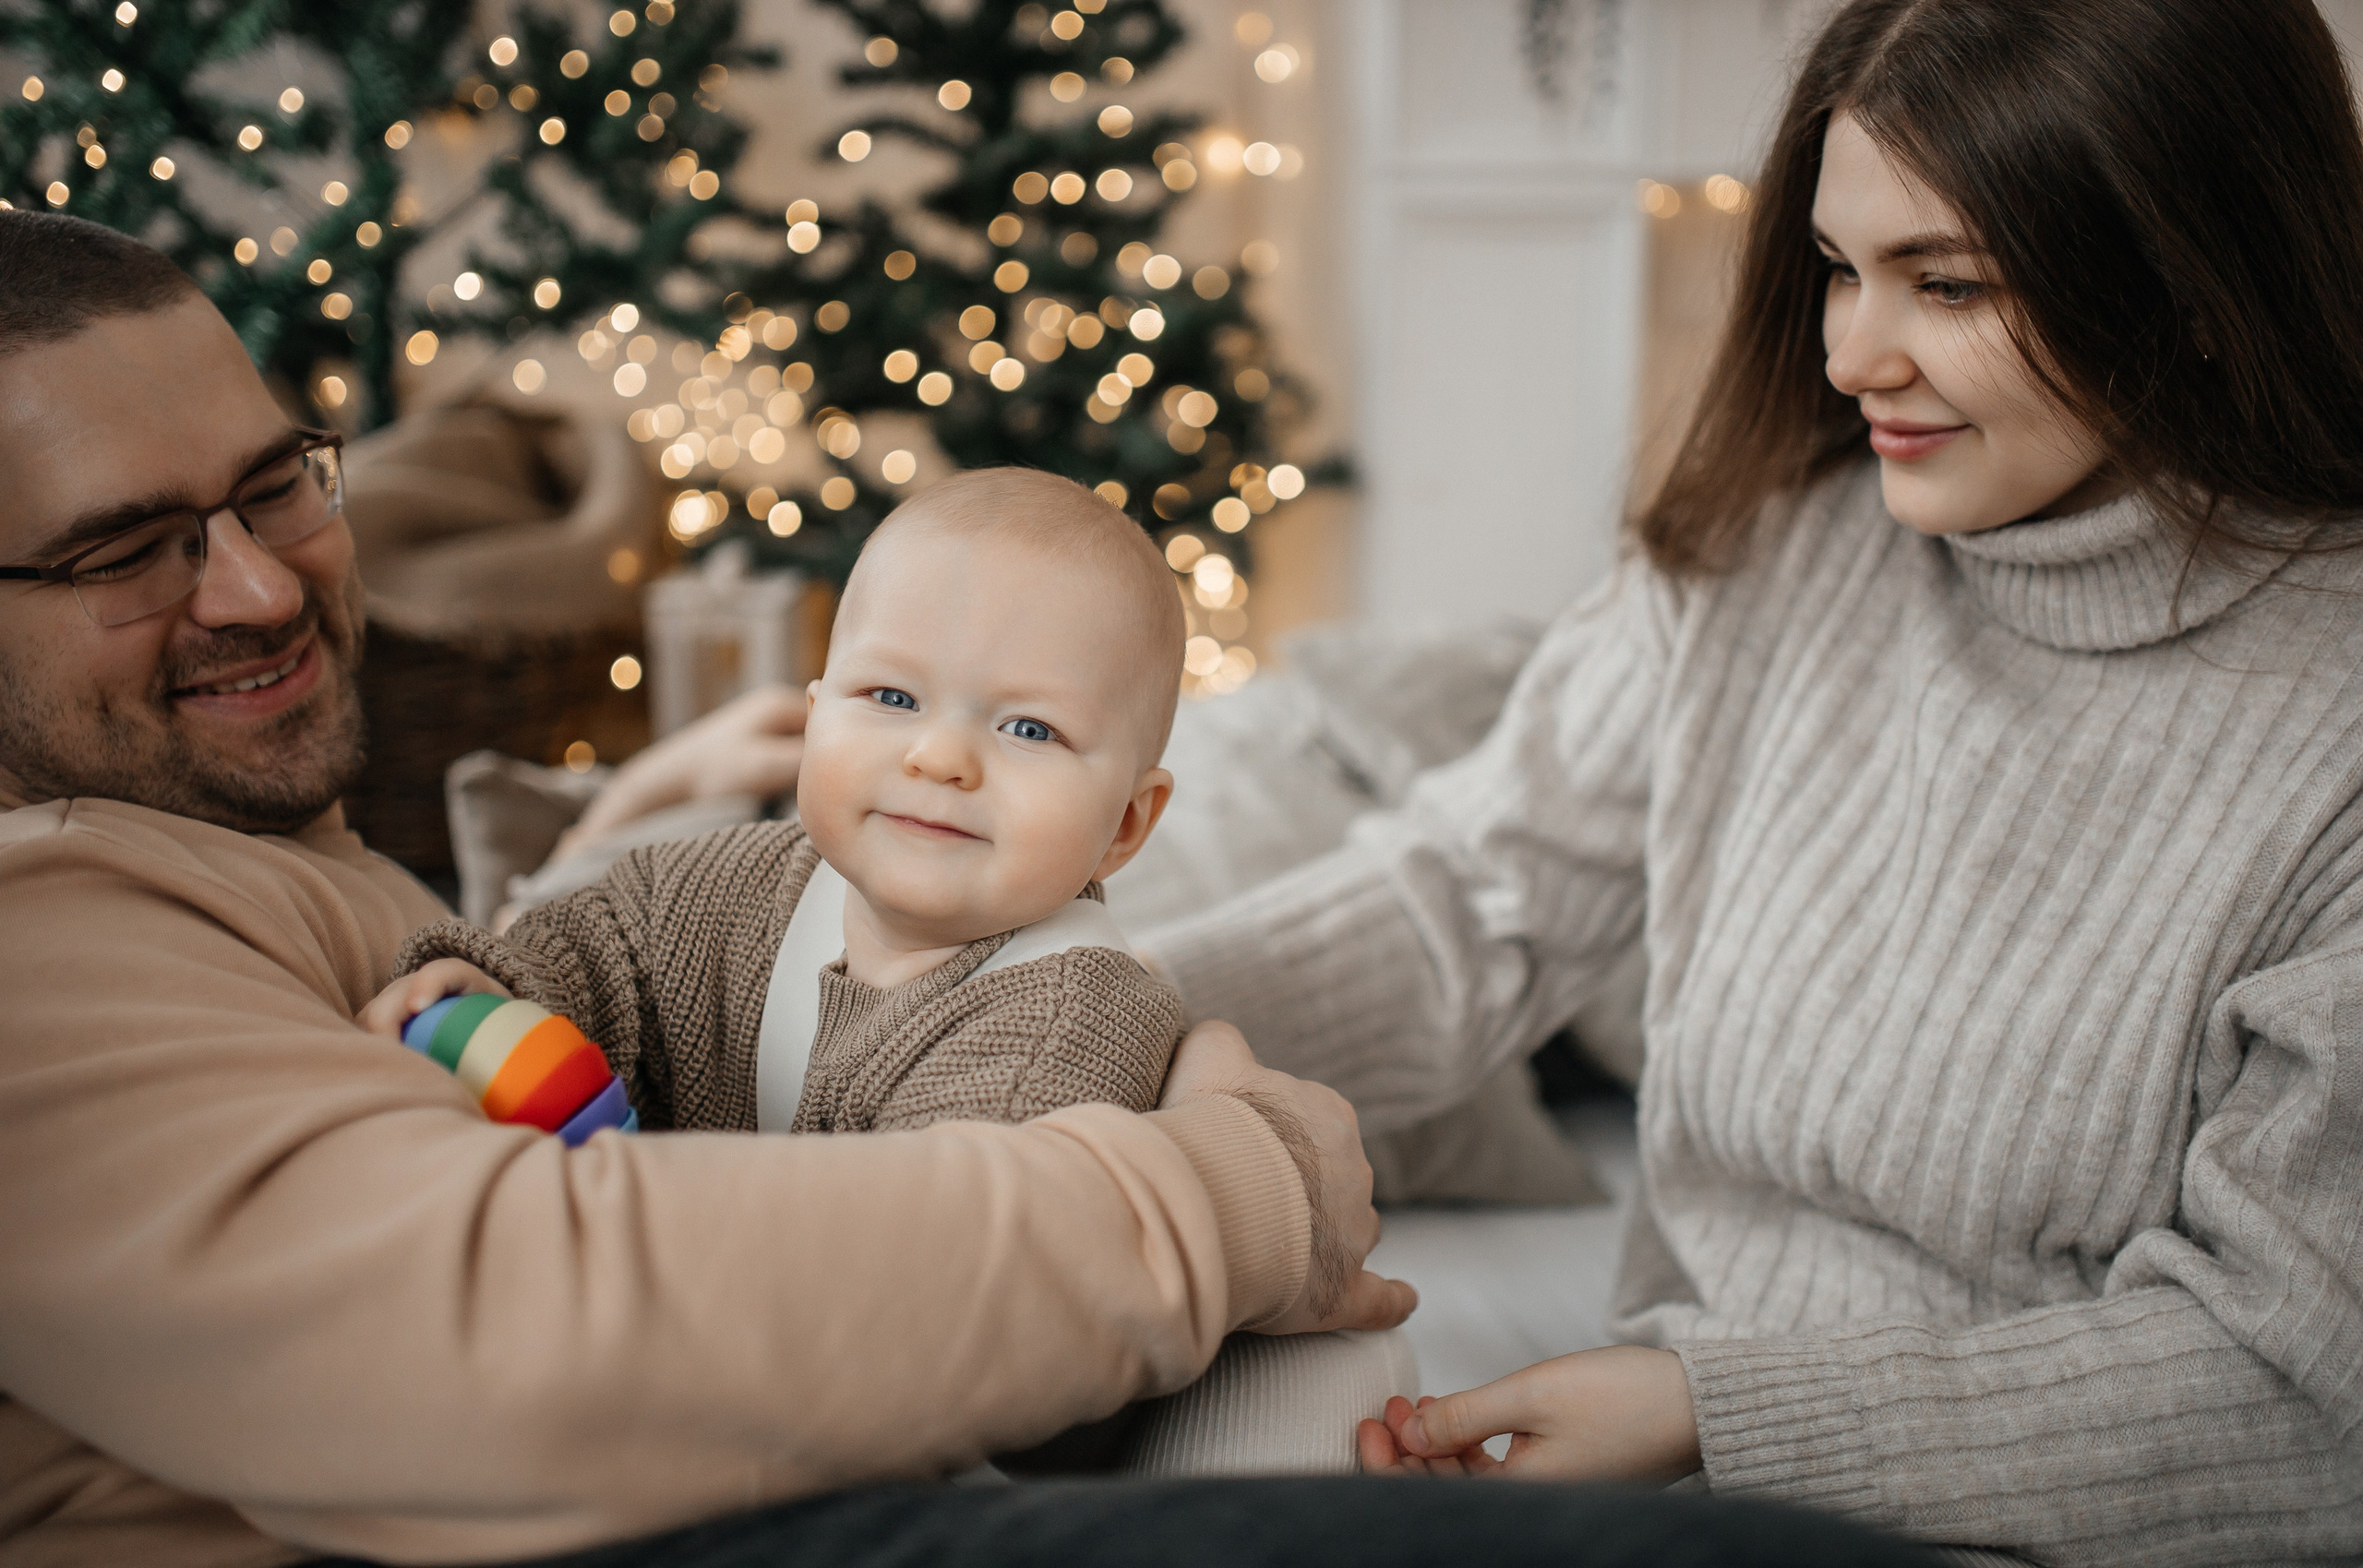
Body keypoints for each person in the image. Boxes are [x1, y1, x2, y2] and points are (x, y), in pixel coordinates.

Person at [0, 209, 1933, 1568]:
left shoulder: (234, 842)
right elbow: (505, 1307)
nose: (258, 583)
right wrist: (1239, 1180)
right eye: (126, 549)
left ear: (1127, 819)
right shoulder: (38, 945)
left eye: (280, 487)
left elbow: (514, 976)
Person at [1143, 1, 2363, 1563]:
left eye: (1950, 281)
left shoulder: (2331, 726)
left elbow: (2293, 1385)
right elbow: (1465, 903)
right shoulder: (1772, 553)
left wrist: (1712, 1407)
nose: (1854, 351)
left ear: (2200, 279)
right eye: (1840, 267)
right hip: (1682, 1475)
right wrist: (1058, 1017)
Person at [369, 470, 1192, 1140]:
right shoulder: (732, 885)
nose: (938, 757)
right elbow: (601, 943)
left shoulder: (1062, 1036)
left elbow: (925, 1261)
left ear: (1125, 823)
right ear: (814, 715)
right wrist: (497, 985)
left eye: (1028, 727)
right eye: (892, 696)